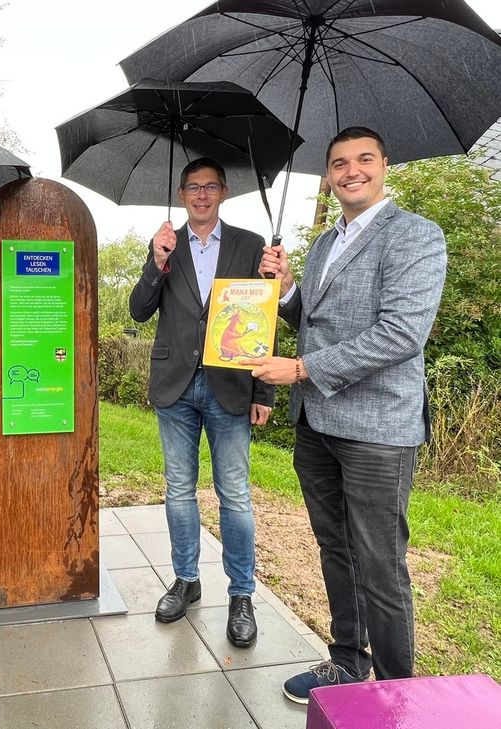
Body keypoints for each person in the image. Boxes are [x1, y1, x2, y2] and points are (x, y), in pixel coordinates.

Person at [247, 127, 446, 704]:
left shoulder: (415, 236)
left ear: (385, 165)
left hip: (378, 432)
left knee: (380, 565)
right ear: (329, 174)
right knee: (335, 549)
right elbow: (314, 319)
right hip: (318, 427)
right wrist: (285, 291)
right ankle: (346, 663)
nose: (351, 170)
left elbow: (401, 334)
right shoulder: (326, 242)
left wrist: (303, 369)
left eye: (363, 159)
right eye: (339, 163)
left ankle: (394, 694)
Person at [129, 158, 273, 648]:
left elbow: (263, 319)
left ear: (223, 192)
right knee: (178, 489)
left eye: (211, 186)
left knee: (234, 494)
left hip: (231, 384)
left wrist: (264, 389)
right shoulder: (166, 243)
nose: (202, 194)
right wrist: (156, 261)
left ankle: (241, 596)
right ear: (182, 192)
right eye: (193, 187)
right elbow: (138, 309)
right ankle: (186, 580)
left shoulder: (250, 245)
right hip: (175, 385)